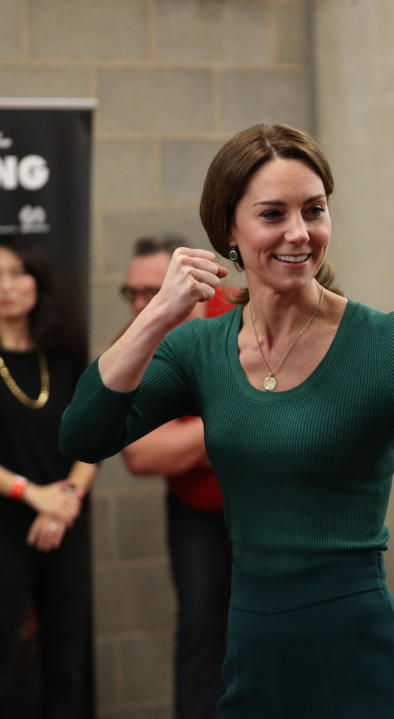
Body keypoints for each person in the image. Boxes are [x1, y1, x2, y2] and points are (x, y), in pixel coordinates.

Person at [59, 123, 394, 718]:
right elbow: (84, 434)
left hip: (361, 659)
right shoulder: (199, 350)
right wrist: (156, 316)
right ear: (229, 229)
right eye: (273, 213)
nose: (299, 233)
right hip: (252, 659)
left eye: (315, 210)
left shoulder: (387, 344)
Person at [119, 234, 234, 719]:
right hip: (196, 513)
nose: (144, 304)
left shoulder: (238, 315)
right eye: (134, 294)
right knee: (201, 638)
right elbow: (141, 455)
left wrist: (188, 439)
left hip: (268, 505)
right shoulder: (137, 340)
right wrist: (231, 425)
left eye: (154, 289)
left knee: (278, 631)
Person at [0, 237, 97, 717]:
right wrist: (32, 494)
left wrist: (68, 499)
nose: (6, 286)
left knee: (66, 666)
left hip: (64, 523)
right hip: (7, 524)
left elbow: (94, 434)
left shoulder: (62, 355)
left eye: (17, 273)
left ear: (37, 282)